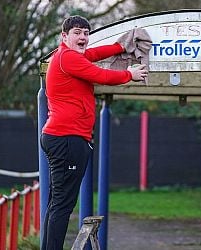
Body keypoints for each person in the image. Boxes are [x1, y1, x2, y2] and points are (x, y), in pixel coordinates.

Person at [40, 15, 148, 249]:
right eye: (77, 32)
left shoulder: (72, 56)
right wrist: (130, 74)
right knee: (62, 205)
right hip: (66, 138)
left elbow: (96, 54)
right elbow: (101, 76)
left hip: (63, 137)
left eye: (86, 33)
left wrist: (121, 46)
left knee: (57, 202)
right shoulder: (67, 57)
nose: (83, 37)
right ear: (64, 37)